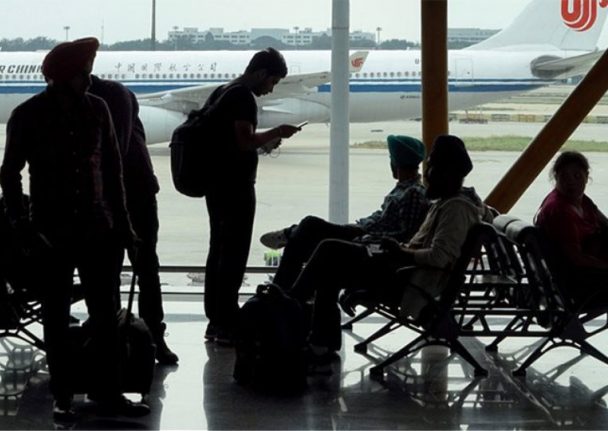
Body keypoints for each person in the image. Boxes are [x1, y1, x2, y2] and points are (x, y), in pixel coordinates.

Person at [0, 37, 149, 421]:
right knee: (56, 317)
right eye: (84, 73)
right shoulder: (28, 114)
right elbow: (9, 174)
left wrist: (123, 225)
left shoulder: (98, 109)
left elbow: (113, 171)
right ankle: (63, 394)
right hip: (52, 234)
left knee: (106, 316)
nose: (90, 79)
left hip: (99, 230)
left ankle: (108, 391)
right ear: (63, 77)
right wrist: (23, 226)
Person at [286, 135, 493, 357]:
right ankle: (319, 342)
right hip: (404, 272)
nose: (427, 174)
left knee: (329, 249)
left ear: (444, 173)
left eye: (431, 167)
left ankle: (288, 308)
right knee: (330, 262)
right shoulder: (447, 202)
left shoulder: (455, 209)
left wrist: (400, 251)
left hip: (407, 280)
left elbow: (439, 257)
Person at [202, 47, 303, 345]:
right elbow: (244, 141)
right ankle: (226, 321)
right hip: (234, 187)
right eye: (272, 82)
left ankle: (215, 320)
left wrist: (264, 143)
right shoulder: (242, 97)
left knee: (218, 250)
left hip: (215, 184)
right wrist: (277, 132)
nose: (271, 89)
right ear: (260, 74)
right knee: (233, 254)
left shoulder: (221, 91)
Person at [88, 75, 178, 365]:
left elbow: (116, 147)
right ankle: (136, 336)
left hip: (129, 192)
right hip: (129, 191)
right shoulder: (115, 94)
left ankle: (128, 335)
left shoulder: (108, 97)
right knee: (141, 267)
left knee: (124, 267)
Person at [263, 134, 429, 290]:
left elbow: (404, 234)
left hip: (368, 239)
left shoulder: (413, 193)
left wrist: (366, 234)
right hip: (363, 231)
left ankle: (288, 242)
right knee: (301, 241)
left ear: (395, 163)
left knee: (309, 225)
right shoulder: (404, 189)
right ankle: (283, 293)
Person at [534, 151, 608, 304]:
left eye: (577, 176)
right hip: (578, 282)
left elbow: (605, 223)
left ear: (587, 176)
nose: (571, 182)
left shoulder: (582, 201)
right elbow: (576, 258)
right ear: (556, 177)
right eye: (565, 177)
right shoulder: (559, 211)